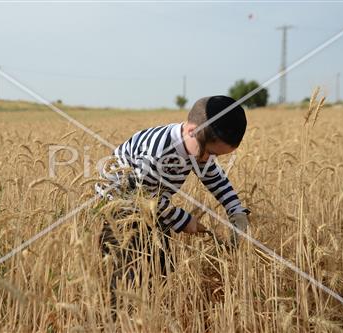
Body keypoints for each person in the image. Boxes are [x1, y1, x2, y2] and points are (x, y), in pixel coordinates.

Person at [94, 95, 250, 313]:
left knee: (162, 265)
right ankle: (115, 318)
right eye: (211, 153)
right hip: (120, 206)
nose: (208, 159)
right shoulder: (158, 151)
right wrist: (185, 221)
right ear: (191, 131)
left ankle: (150, 314)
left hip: (154, 206)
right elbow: (143, 196)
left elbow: (215, 179)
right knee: (126, 272)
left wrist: (236, 211)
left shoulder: (198, 147)